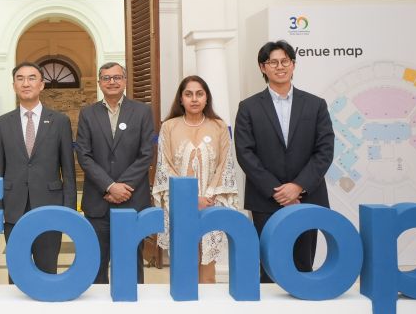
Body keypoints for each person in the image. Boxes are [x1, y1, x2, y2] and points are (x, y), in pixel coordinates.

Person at [233, 40, 334, 280]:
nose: (280, 67)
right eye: (273, 62)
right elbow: (245, 153)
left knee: (303, 267)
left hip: (307, 198)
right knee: (270, 270)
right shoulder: (248, 107)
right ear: (263, 67)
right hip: (266, 200)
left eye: (285, 61)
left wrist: (298, 186)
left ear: (293, 65)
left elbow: (325, 150)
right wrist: (277, 191)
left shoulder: (316, 105)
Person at [0, 62, 77, 275]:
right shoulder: (2, 123)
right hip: (13, 207)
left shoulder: (60, 121)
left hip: (50, 205)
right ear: (13, 85)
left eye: (31, 78)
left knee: (47, 267)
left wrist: (69, 210)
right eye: (20, 79)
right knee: (17, 269)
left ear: (42, 84)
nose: (25, 83)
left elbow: (68, 170)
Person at [152, 75, 238, 283]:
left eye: (199, 94)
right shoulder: (169, 127)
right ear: (181, 99)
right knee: (185, 263)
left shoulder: (219, 126)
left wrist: (207, 197)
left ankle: (209, 303)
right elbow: (165, 166)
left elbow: (225, 165)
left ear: (206, 98)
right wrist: (190, 199)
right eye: (188, 94)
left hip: (211, 202)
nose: (194, 99)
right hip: (180, 203)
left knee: (208, 267)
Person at [76, 61, 155, 284]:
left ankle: (132, 306)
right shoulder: (88, 113)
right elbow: (84, 155)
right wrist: (110, 186)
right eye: (107, 78)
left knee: (131, 263)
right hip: (98, 201)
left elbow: (146, 154)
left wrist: (122, 187)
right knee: (96, 264)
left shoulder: (142, 111)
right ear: (100, 82)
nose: (112, 82)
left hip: (132, 199)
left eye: (117, 77)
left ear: (125, 81)